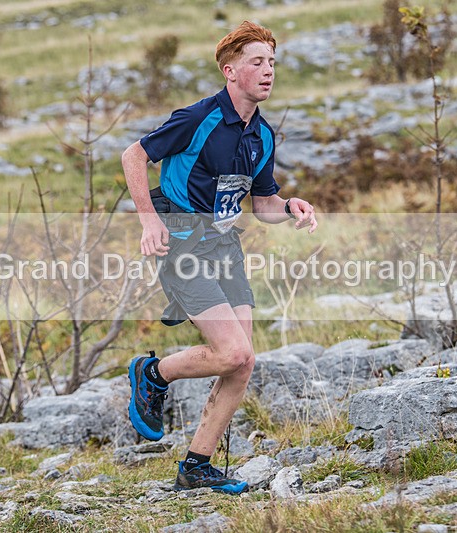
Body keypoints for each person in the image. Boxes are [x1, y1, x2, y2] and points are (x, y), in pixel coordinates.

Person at [121, 20, 317, 495]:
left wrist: (289, 207)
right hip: (182, 242)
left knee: (241, 362)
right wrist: (149, 221)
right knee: (233, 351)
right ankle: (152, 373)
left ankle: (196, 466)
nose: (268, 71)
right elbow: (133, 156)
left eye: (272, 62)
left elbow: (263, 205)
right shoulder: (198, 118)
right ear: (231, 71)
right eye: (257, 62)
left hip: (225, 247)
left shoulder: (263, 137)